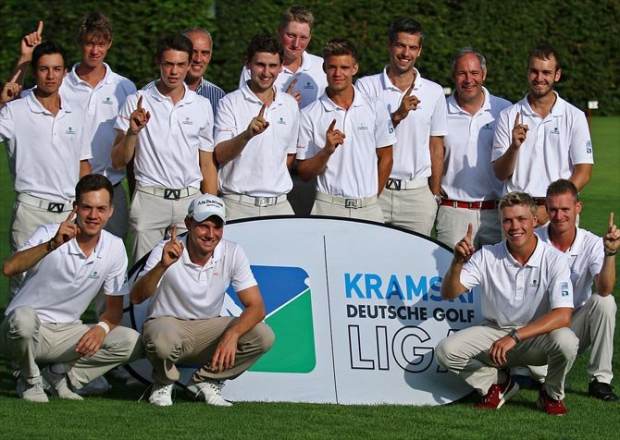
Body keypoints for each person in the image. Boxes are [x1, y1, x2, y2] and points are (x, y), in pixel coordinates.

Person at [0, 174, 142, 403]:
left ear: (111, 211)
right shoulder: (49, 233)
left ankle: (59, 376)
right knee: (23, 319)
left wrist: (102, 329)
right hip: (23, 332)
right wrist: (52, 245)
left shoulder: (115, 247)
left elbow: (114, 310)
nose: (94, 215)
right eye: (87, 208)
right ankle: (29, 380)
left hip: (68, 333)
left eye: (100, 208)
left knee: (132, 341)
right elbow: (9, 268)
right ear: (75, 208)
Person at [436, 192, 578, 415]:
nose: (514, 226)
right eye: (508, 220)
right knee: (446, 351)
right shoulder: (487, 255)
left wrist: (515, 337)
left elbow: (563, 315)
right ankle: (499, 383)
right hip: (495, 334)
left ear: (535, 221)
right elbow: (449, 293)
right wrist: (457, 262)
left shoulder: (554, 258)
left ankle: (550, 395)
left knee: (567, 340)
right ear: (501, 223)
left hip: (534, 338)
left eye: (521, 219)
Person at [130, 194, 274, 407]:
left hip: (208, 329)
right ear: (188, 223)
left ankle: (205, 381)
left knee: (263, 335)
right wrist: (163, 266)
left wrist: (232, 335)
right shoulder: (165, 249)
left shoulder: (232, 251)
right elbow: (136, 297)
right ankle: (162, 383)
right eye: (203, 226)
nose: (211, 234)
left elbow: (257, 307)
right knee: (162, 338)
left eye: (217, 227)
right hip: (168, 324)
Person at [111, 33, 217, 262]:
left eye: (180, 65)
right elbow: (118, 160)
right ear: (158, 63)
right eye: (168, 64)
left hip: (189, 201)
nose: (174, 71)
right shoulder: (137, 100)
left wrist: (212, 207)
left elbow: (206, 164)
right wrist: (132, 132)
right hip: (150, 200)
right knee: (143, 277)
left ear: (189, 65)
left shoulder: (202, 105)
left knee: (189, 277)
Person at [1, 41, 92, 294]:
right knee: (23, 290)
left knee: (64, 289)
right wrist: (1, 103)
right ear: (35, 72)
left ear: (64, 72)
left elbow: (83, 164)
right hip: (30, 212)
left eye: (56, 69)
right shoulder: (15, 110)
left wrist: (87, 208)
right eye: (44, 69)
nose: (50, 76)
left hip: (67, 213)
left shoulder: (76, 112)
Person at [356, 17, 447, 235]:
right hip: (375, 190)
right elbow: (362, 139)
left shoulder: (433, 92)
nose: (406, 53)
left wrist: (433, 194)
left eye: (412, 47)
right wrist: (397, 116)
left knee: (414, 265)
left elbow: (436, 146)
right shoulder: (366, 86)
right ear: (390, 45)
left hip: (417, 196)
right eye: (401, 45)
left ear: (419, 51)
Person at [492, 44, 593, 225]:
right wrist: (514, 148)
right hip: (517, 212)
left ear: (557, 75)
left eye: (546, 72)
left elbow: (583, 172)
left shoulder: (574, 116)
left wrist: (552, 207)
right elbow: (500, 173)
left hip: (559, 213)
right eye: (534, 72)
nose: (539, 78)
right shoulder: (508, 115)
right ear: (527, 73)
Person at [536, 179, 618, 401]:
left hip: (573, 327)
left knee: (605, 301)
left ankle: (600, 380)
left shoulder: (591, 242)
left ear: (577, 208)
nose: (559, 215)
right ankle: (530, 370)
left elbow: (605, 288)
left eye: (565, 209)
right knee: (534, 374)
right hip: (537, 328)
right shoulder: (534, 240)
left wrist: (610, 254)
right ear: (546, 209)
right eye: (553, 209)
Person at [296, 38, 395, 222]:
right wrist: (326, 151)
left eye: (344, 68)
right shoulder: (309, 114)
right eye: (332, 67)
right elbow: (304, 173)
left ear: (355, 69)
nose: (338, 73)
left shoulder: (374, 107)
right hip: (328, 207)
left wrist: (373, 197)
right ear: (324, 68)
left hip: (369, 208)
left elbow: (386, 156)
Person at [214, 35, 299, 220]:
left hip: (280, 206)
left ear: (281, 67)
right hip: (237, 206)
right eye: (260, 64)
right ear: (248, 64)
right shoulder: (229, 102)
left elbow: (289, 155)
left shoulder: (290, 104)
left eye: (273, 66)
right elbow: (220, 155)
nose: (266, 72)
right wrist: (247, 135)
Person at [436, 48, 511, 248]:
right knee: (450, 276)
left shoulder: (504, 110)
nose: (468, 79)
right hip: (452, 213)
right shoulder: (439, 110)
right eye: (462, 73)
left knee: (495, 279)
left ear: (484, 75)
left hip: (496, 214)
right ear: (453, 76)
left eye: (474, 73)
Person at [238, 5, 326, 109]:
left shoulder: (322, 66)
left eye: (303, 37)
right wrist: (284, 103)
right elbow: (244, 111)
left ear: (310, 38)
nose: (296, 44)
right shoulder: (254, 68)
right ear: (279, 32)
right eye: (291, 36)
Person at [183, 28, 225, 117]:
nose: (198, 59)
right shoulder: (151, 93)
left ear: (210, 56)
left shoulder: (219, 96)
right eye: (193, 52)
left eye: (204, 53)